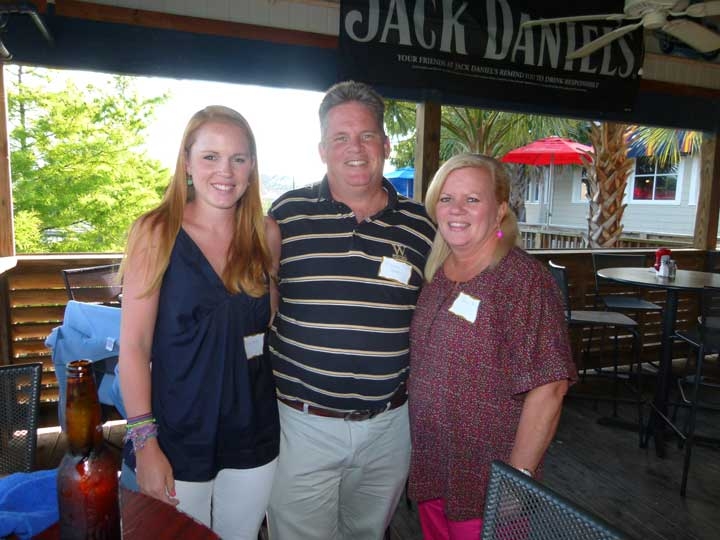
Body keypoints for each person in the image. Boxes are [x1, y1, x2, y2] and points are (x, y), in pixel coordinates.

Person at [265, 80, 436, 539]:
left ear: (385, 143)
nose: (355, 149)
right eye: (340, 137)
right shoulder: (287, 214)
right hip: (303, 424)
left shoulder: (422, 225)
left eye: (366, 136)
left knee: (367, 534)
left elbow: (478, 252)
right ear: (323, 149)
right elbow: (258, 294)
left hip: (388, 427)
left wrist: (505, 235)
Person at [118, 105, 279, 540]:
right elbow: (132, 347)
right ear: (186, 163)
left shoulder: (266, 235)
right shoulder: (156, 232)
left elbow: (267, 326)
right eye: (210, 156)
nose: (225, 171)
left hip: (254, 432)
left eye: (238, 158)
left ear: (251, 168)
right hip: (176, 437)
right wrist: (145, 443)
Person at [408, 153, 577, 539]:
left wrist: (516, 481)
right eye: (447, 198)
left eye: (472, 199)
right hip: (434, 469)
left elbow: (549, 386)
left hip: (488, 484)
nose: (457, 210)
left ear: (500, 210)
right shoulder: (437, 274)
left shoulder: (521, 279)